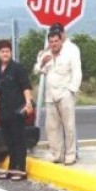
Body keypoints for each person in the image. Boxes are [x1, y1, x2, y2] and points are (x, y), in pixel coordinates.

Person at [34, 28, 81, 165]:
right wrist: (42, 63)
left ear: (61, 40)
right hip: (50, 95)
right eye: (51, 41)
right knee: (52, 127)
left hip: (65, 94)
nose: (54, 44)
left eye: (56, 41)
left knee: (69, 126)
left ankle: (70, 155)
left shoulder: (69, 53)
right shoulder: (45, 54)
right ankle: (57, 154)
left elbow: (77, 72)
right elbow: (37, 70)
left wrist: (71, 90)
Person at [0, 40, 33, 181]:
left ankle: (21, 169)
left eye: (7, 51)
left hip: (17, 110)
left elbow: (26, 87)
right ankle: (11, 168)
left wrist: (28, 103)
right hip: (3, 111)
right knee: (8, 141)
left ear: (11, 52)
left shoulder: (17, 68)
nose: (5, 54)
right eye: (2, 51)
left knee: (19, 140)